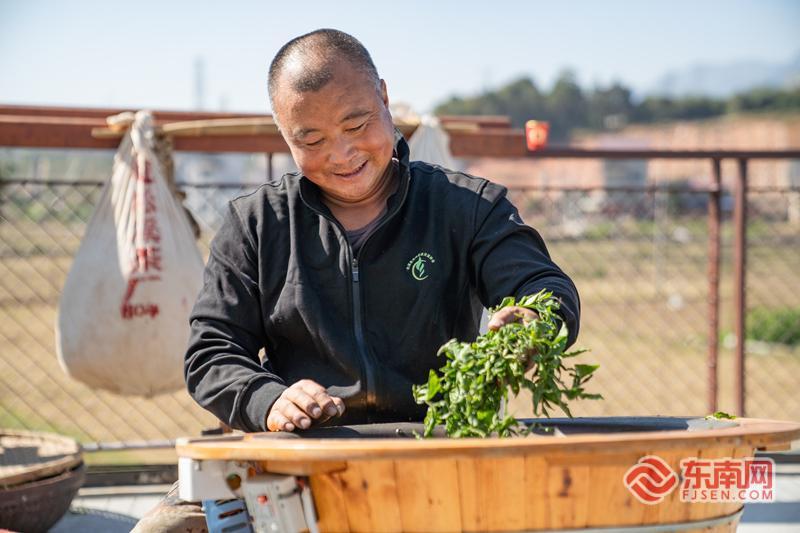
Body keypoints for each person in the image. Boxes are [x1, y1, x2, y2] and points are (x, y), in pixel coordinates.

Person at [133, 28, 579, 532]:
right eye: (312, 139)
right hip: (293, 462)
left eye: (356, 123)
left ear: (384, 98)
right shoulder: (257, 223)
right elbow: (211, 352)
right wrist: (270, 400)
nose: (342, 154)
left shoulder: (468, 207)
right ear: (285, 135)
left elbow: (546, 287)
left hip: (438, 451)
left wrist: (533, 321)